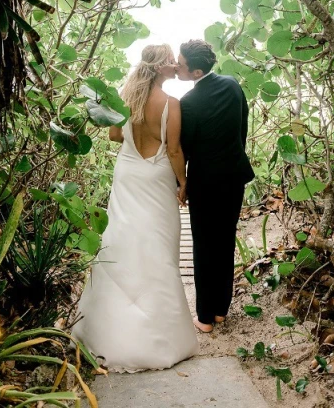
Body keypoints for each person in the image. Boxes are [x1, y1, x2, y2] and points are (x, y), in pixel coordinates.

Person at [73, 44, 198, 372]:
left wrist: (134, 136)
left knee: (122, 237)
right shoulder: (171, 104)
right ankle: (157, 335)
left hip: (128, 173)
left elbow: (115, 135)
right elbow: (173, 150)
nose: (174, 65)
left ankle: (107, 329)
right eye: (170, 60)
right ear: (159, 68)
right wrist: (183, 183)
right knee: (157, 244)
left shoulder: (125, 99)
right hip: (156, 177)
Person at [177, 39, 254, 334]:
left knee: (204, 246)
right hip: (234, 176)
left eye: (181, 65)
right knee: (224, 241)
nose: (178, 67)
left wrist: (180, 183)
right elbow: (242, 127)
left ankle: (205, 317)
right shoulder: (233, 84)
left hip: (205, 182)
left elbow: (185, 148)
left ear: (196, 72)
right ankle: (221, 309)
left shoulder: (189, 102)